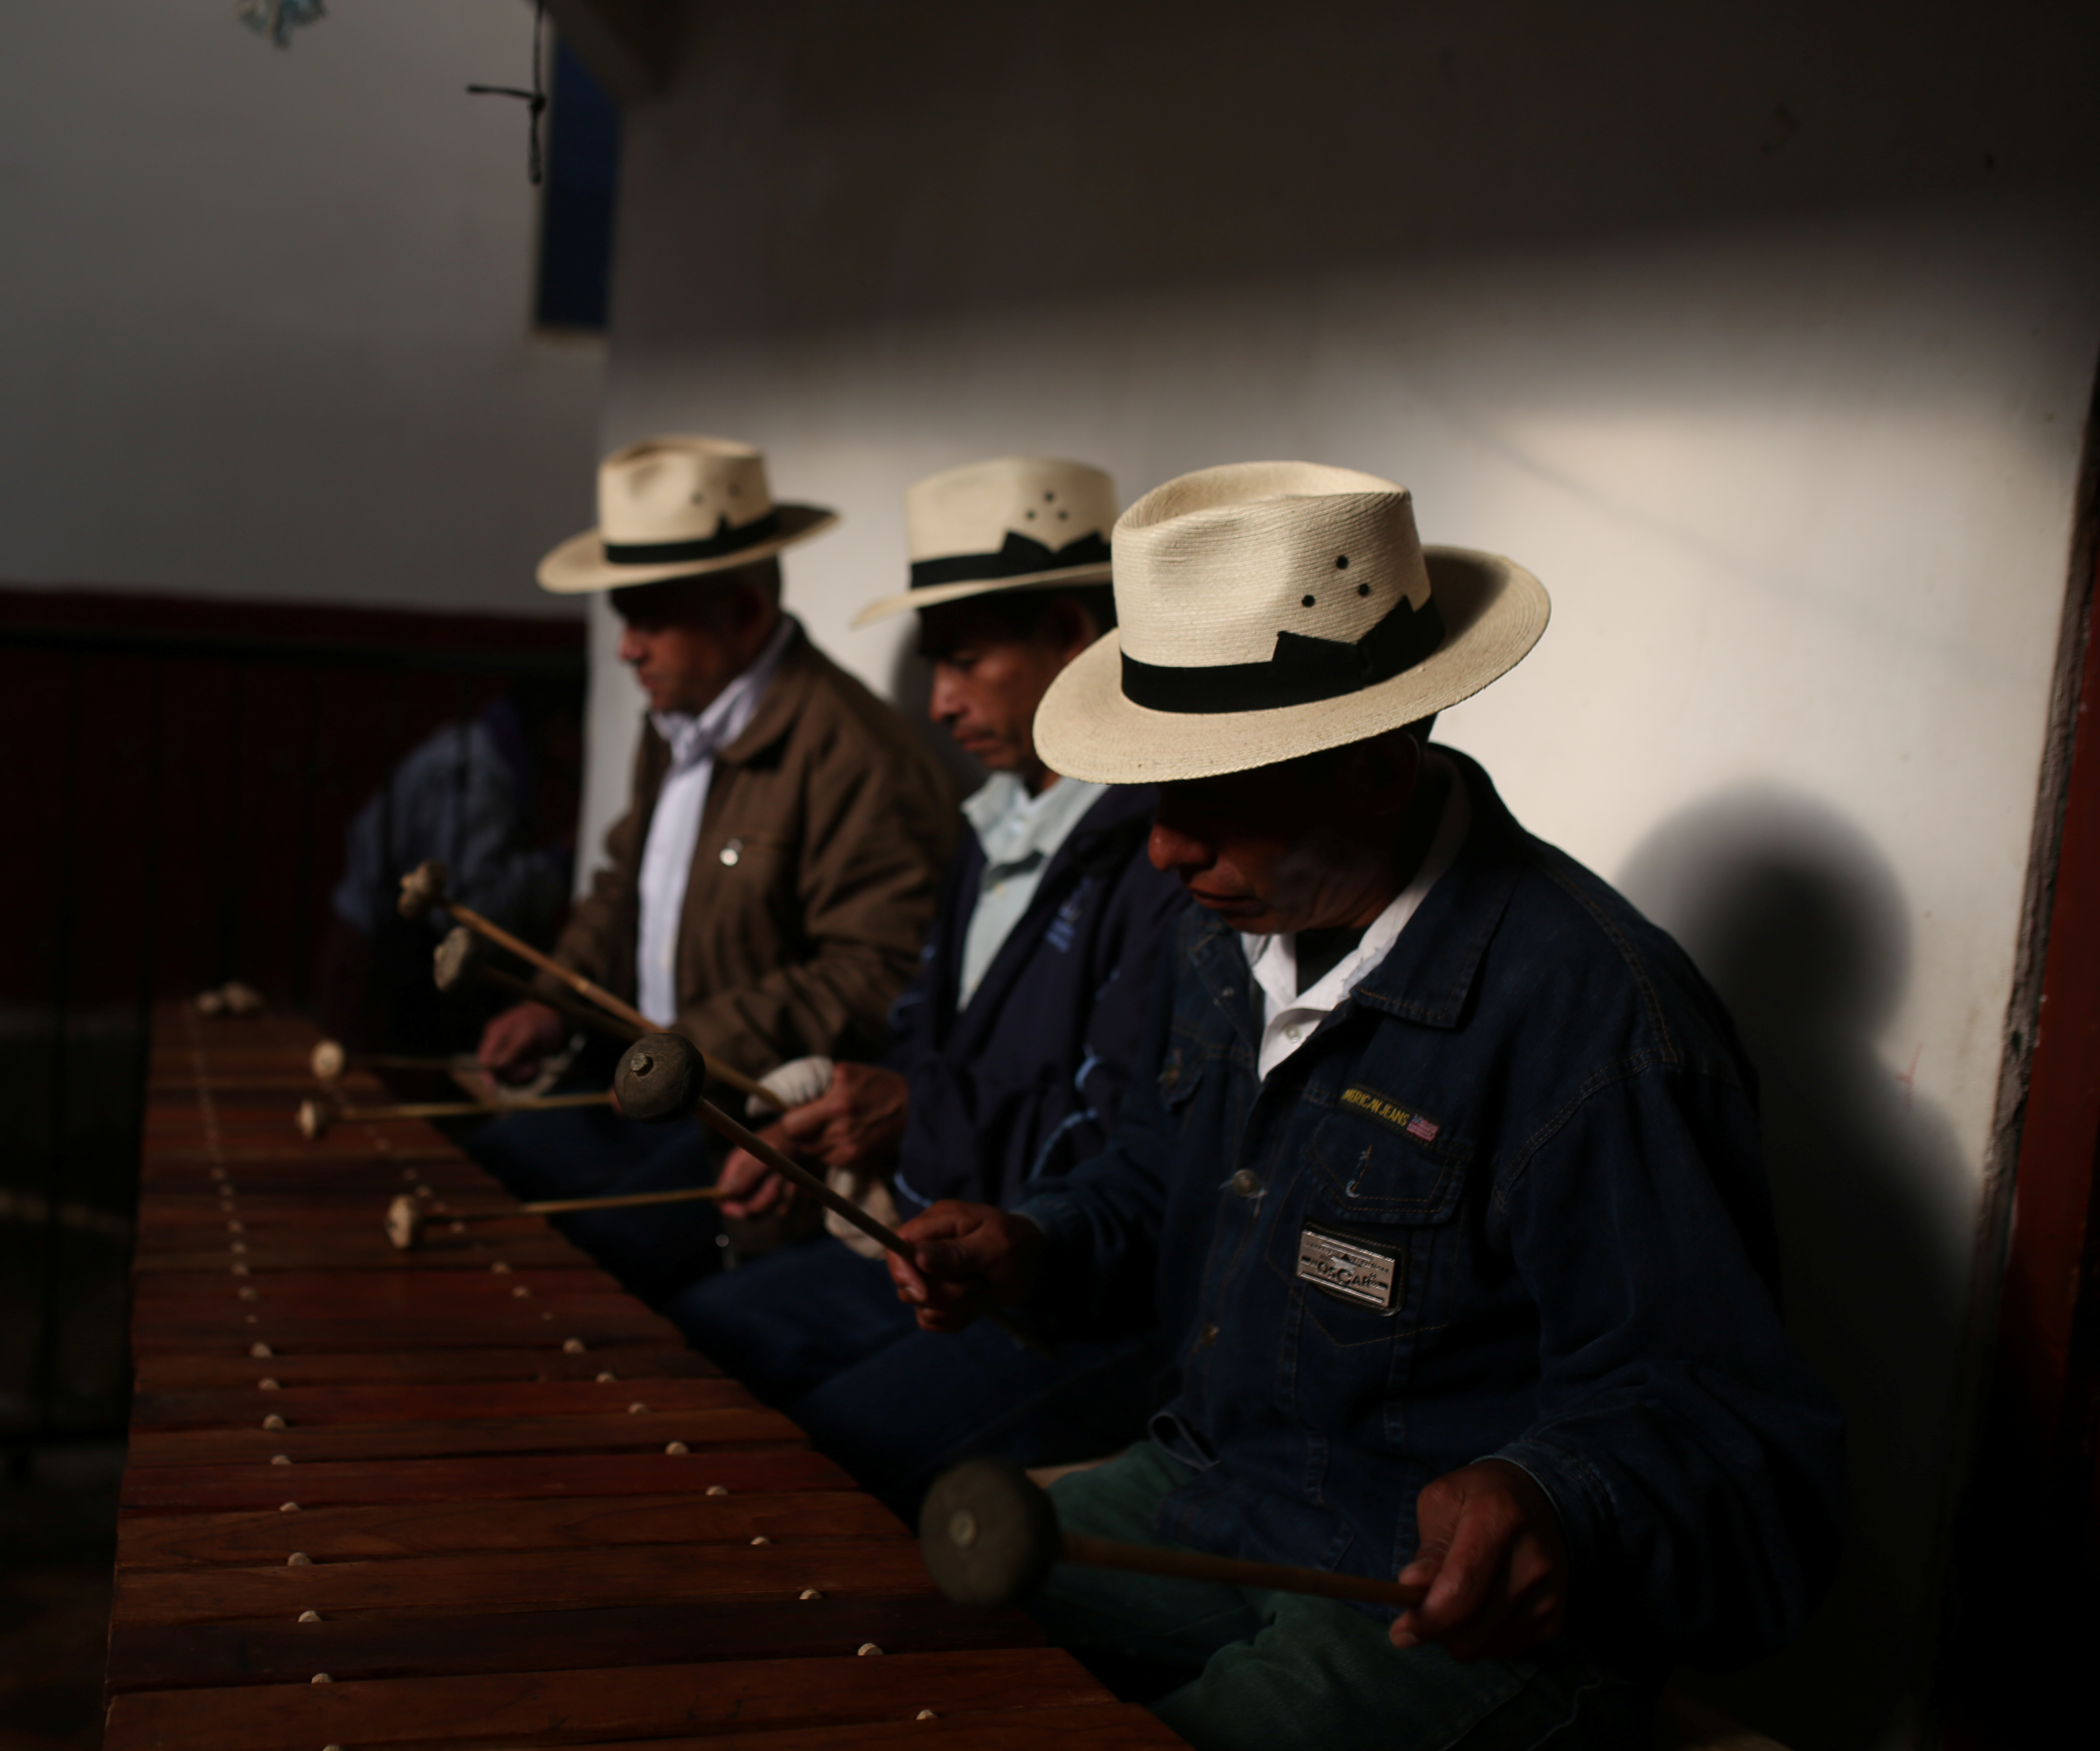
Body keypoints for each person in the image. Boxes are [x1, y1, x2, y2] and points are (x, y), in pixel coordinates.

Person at [886, 462, 1846, 1749]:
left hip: (1426, 1600)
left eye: (1211, 789)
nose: (1163, 849)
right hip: (1211, 1492)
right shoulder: (1219, 937)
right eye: (1153, 789)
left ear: (1377, 770)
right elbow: (1149, 1184)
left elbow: (1729, 1434)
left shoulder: (1603, 1021)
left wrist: (1550, 1494)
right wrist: (1037, 1244)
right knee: (895, 1618)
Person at [665, 458, 1185, 1504]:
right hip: (923, 1247)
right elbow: (915, 1040)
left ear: (1072, 635)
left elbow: (1115, 1146)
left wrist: (910, 1112)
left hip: (1056, 1288)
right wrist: (828, 1115)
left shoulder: (1164, 849)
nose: (939, 703)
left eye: (963, 661)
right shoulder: (991, 820)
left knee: (813, 1453)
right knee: (694, 1341)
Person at [460, 434, 955, 1301]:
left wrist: (694, 1048)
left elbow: (879, 973)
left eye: (649, 620)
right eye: (624, 620)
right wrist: (556, 995)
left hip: (745, 1130)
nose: (627, 651)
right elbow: (625, 885)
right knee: (475, 1179)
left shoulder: (857, 756)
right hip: (642, 1088)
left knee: (565, 1274)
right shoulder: (681, 721)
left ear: (742, 615)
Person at [316, 672, 583, 1055]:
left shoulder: (478, 745)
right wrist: (559, 863)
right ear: (558, 726)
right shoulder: (477, 774)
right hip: (372, 962)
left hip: (379, 953)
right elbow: (473, 912)